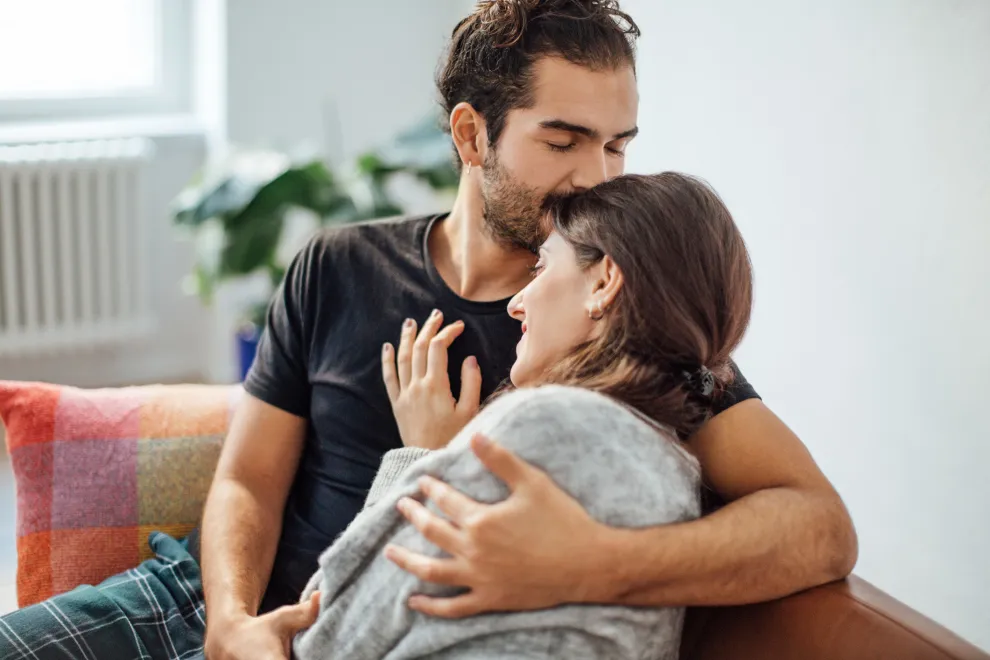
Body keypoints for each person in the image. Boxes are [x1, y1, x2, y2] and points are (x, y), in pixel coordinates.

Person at [0, 1, 856, 659]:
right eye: (564, 140)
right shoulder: (337, 265)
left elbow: (819, 526)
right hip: (196, 599)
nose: (595, 178)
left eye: (617, 146)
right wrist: (229, 622)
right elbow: (249, 481)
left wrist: (588, 562)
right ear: (470, 133)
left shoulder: (617, 317)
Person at [292, 171, 753, 660]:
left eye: (540, 268)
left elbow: (323, 628)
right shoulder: (676, 467)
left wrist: (422, 457)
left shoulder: (544, 423)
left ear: (603, 281)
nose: (515, 303)